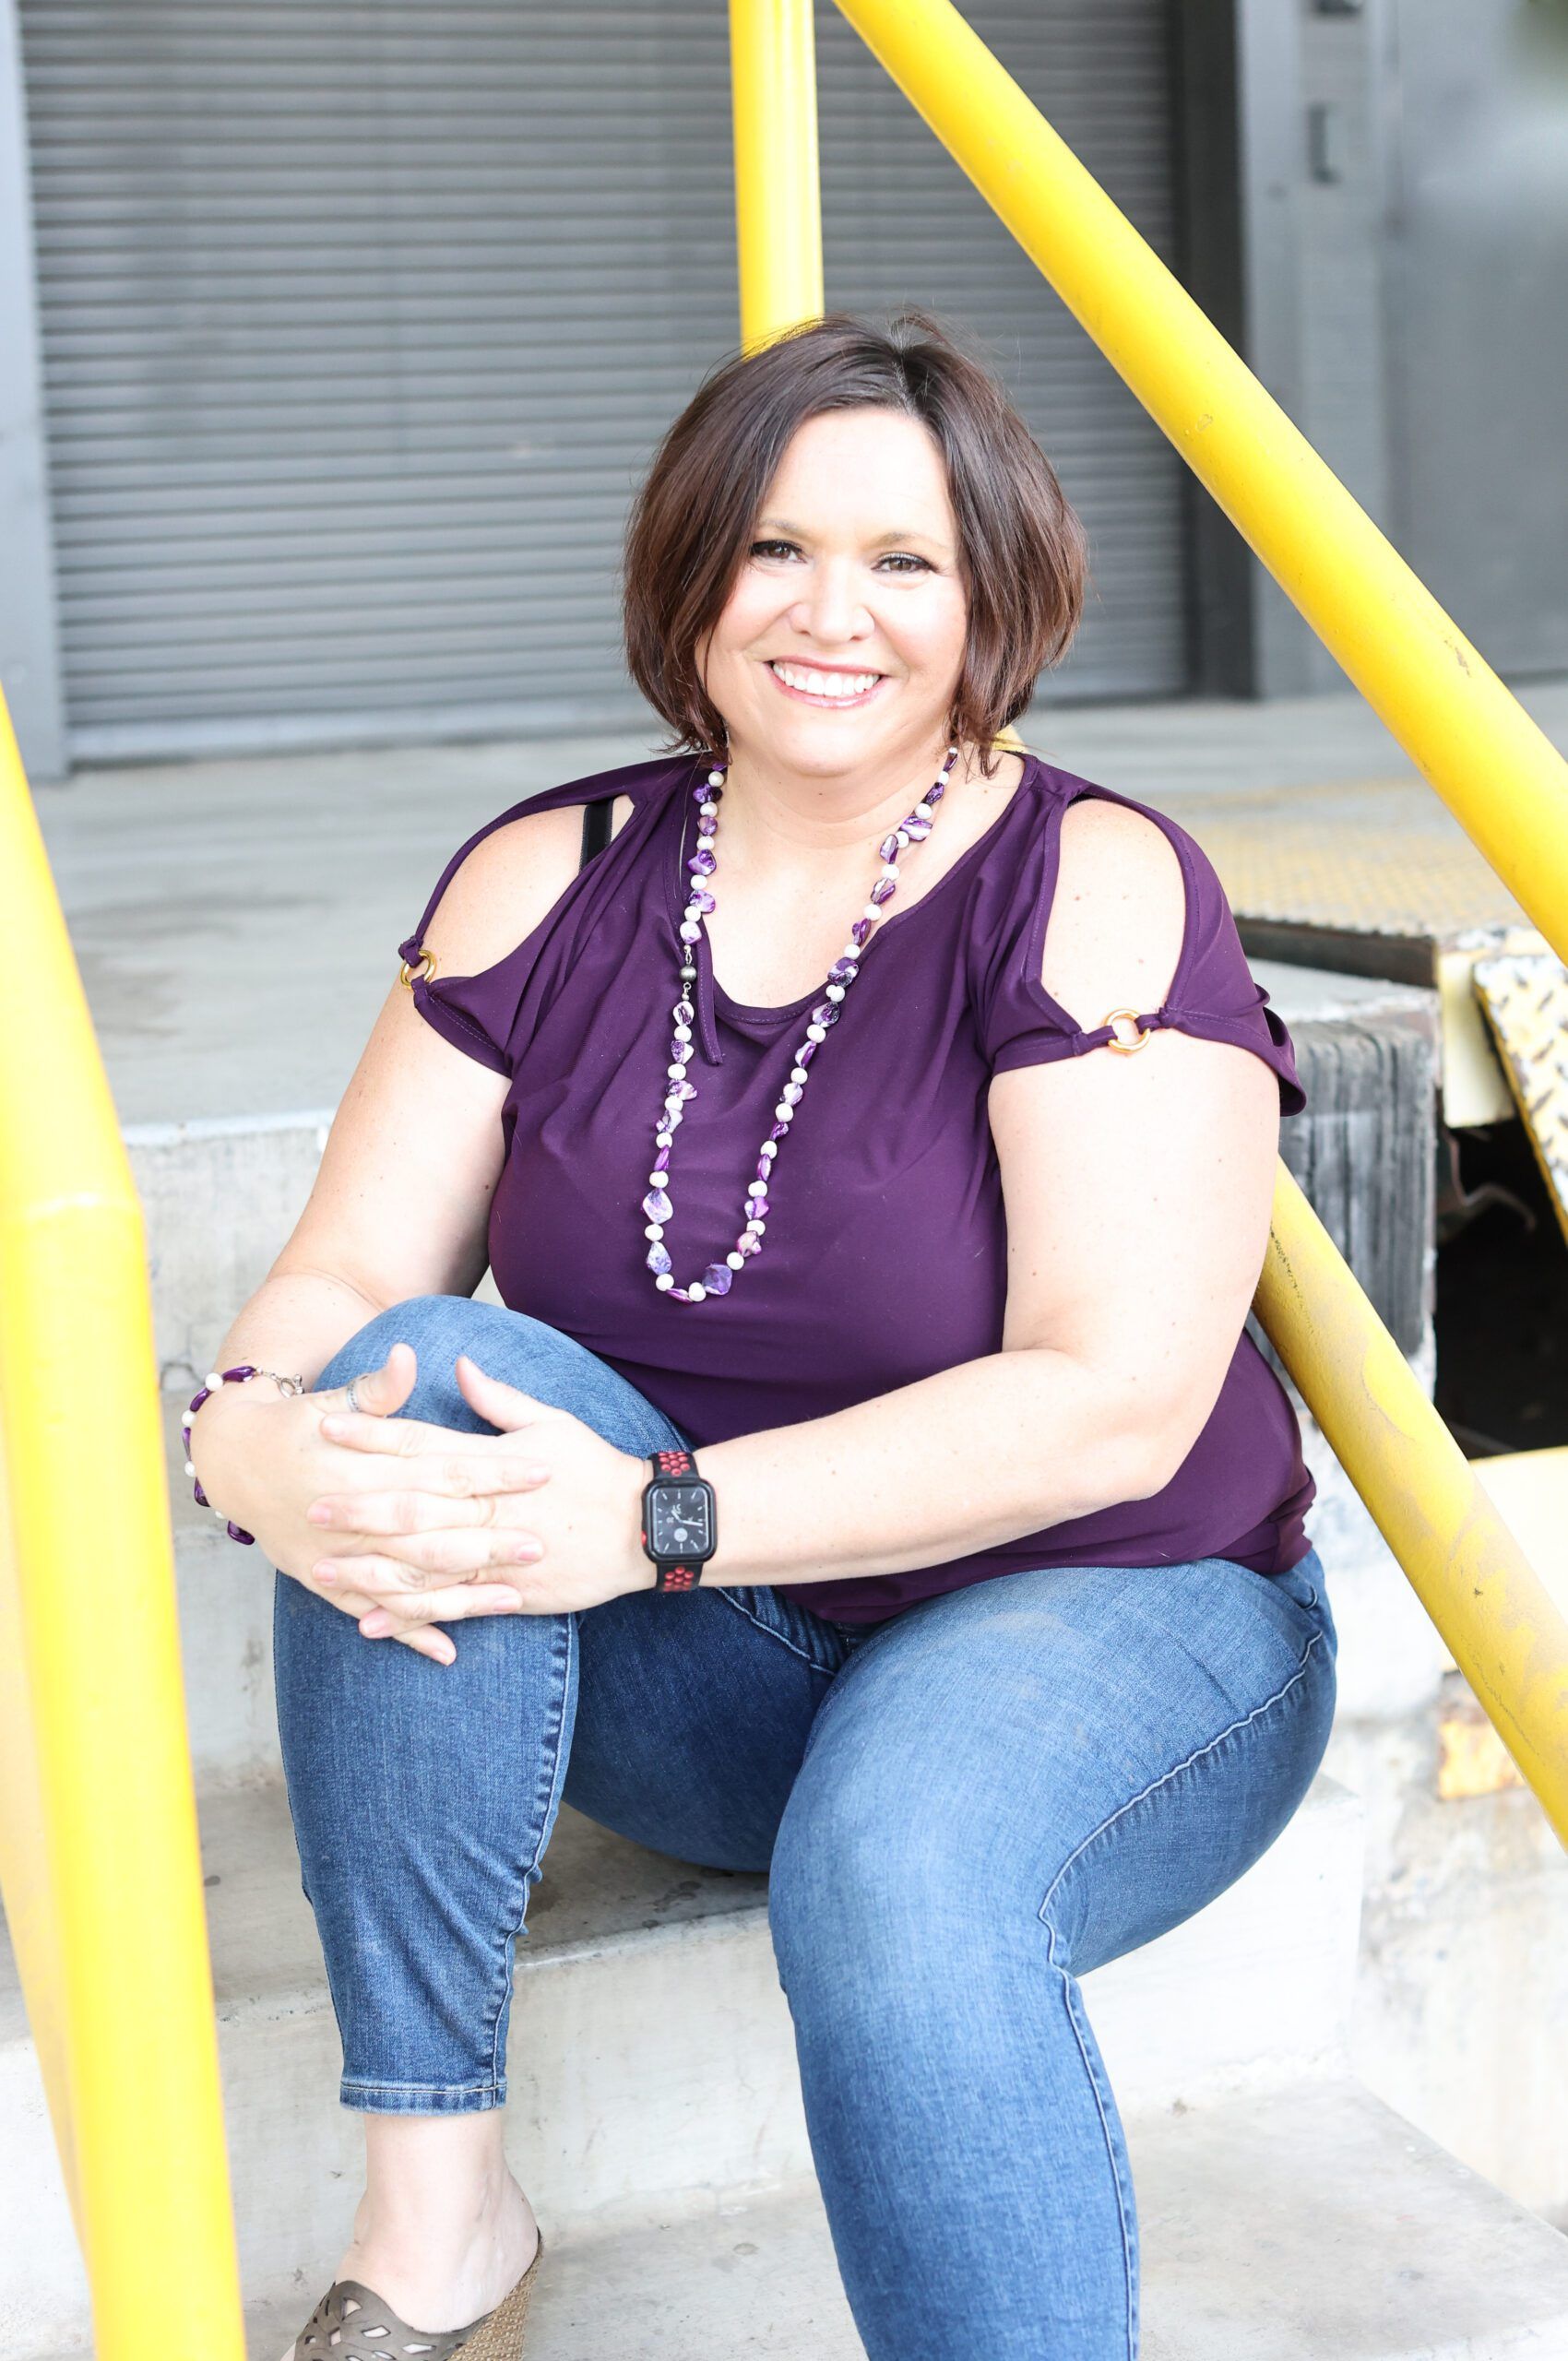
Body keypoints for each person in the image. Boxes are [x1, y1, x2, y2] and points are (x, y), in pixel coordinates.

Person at [188, 310, 1336, 2361]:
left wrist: (662, 1517)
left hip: (1107, 1616)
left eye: (905, 561)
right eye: (778, 549)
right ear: (693, 569)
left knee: (901, 1865)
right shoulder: (551, 874)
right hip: (723, 1655)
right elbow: (345, 1280)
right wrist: (253, 1434)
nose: (833, 613)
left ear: (992, 596)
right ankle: (441, 2221)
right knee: (417, 1381)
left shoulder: (1092, 882)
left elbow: (1116, 1403)